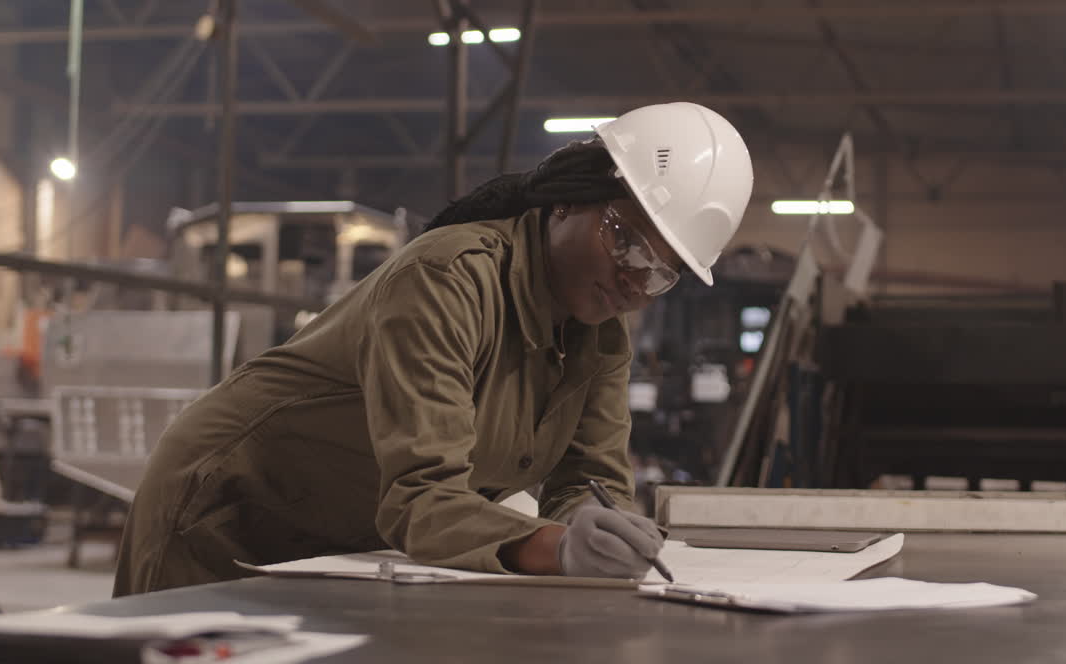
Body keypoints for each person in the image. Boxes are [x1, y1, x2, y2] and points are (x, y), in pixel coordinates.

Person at [113, 101, 753, 595]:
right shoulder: (448, 279)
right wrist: (557, 547)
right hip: (232, 508)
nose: (633, 281)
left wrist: (600, 530)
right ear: (568, 199)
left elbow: (588, 481)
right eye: (627, 243)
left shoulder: (601, 336)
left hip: (349, 536)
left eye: (659, 274)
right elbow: (423, 496)